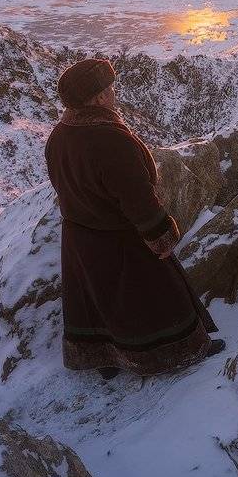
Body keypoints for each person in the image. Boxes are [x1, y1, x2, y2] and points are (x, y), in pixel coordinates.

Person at [45, 57, 222, 377]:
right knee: (155, 293)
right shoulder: (111, 140)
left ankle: (105, 357)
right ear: (98, 97)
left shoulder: (60, 135)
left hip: (80, 239)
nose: (114, 93)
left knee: (100, 302)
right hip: (120, 238)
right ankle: (178, 351)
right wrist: (161, 236)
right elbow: (137, 198)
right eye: (109, 88)